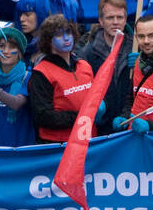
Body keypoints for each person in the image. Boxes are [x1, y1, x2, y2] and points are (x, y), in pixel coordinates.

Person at [28, 14, 104, 143]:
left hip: (88, 139)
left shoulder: (84, 65)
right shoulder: (41, 73)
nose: (66, 38)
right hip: (58, 145)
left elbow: (94, 97)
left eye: (68, 32)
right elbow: (44, 116)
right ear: (48, 40)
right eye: (58, 34)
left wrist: (100, 104)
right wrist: (82, 116)